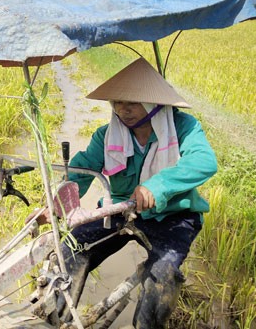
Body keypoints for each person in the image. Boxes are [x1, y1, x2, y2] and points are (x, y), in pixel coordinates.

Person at [58, 57, 217, 328]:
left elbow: (204, 161)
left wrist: (157, 186)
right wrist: (57, 202)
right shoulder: (107, 135)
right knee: (71, 249)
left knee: (162, 274)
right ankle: (55, 315)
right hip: (120, 210)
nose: (122, 110)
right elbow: (82, 168)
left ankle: (147, 325)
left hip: (173, 217)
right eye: (117, 102)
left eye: (131, 103)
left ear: (154, 103)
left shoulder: (184, 128)